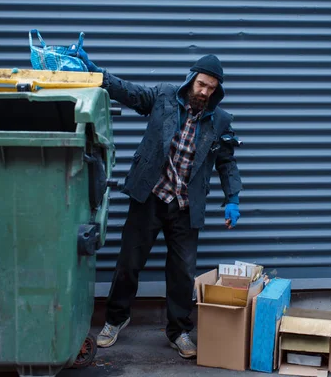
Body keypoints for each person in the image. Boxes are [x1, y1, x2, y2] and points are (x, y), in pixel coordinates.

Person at [71, 49, 242, 359]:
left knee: (182, 274)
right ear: (191, 79)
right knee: (128, 263)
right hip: (150, 196)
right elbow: (129, 92)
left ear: (217, 90)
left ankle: (179, 331)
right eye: (201, 84)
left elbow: (227, 163)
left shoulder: (220, 121)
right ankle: (115, 319)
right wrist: (98, 73)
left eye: (211, 87)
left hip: (186, 206)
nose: (204, 92)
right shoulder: (163, 96)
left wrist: (232, 199)